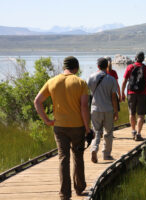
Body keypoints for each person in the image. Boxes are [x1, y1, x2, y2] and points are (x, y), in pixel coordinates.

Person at [34, 56, 90, 200]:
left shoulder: (52, 81)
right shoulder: (81, 83)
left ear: (64, 67)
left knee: (63, 159)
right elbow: (84, 107)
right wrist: (87, 128)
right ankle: (80, 187)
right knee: (78, 157)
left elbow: (37, 101)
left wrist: (46, 120)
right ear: (76, 68)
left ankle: (64, 194)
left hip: (59, 127)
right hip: (77, 127)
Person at [88, 58, 118, 163]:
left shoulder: (91, 77)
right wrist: (116, 111)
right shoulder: (111, 79)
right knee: (108, 133)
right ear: (107, 67)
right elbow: (114, 97)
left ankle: (94, 149)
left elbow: (90, 92)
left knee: (96, 131)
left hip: (95, 108)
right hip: (108, 109)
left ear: (98, 66)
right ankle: (106, 154)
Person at [121, 52, 146, 141]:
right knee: (141, 115)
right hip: (142, 93)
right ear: (143, 59)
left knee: (131, 113)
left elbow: (124, 81)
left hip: (131, 93)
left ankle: (133, 131)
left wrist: (122, 92)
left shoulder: (130, 67)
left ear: (135, 58)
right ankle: (138, 134)